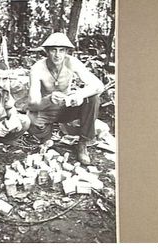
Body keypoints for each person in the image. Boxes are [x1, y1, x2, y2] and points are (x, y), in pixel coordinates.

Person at [27, 32, 104, 165]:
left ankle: (82, 143)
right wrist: (49, 99)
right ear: (47, 51)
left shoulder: (72, 62)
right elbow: (32, 104)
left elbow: (98, 85)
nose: (57, 55)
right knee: (29, 120)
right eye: (53, 50)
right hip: (46, 110)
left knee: (93, 98)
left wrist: (78, 95)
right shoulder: (37, 68)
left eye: (61, 50)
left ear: (66, 51)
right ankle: (46, 137)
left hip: (65, 108)